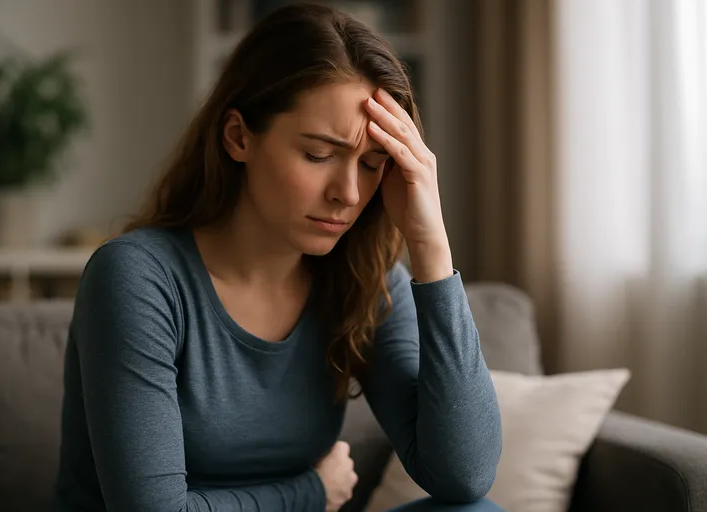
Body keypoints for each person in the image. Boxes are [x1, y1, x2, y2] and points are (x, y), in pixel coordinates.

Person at [54, 3, 503, 511]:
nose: (349, 193)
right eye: (318, 154)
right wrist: (310, 491)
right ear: (238, 137)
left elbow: (464, 477)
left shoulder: (365, 282)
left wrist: (431, 246)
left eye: (374, 164)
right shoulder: (137, 277)